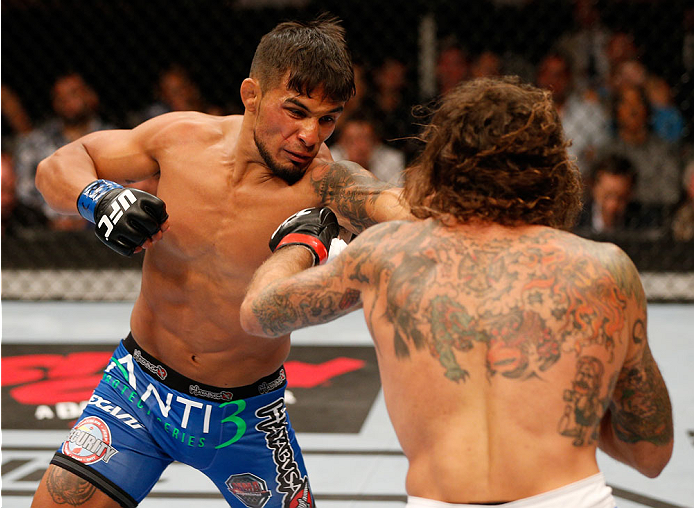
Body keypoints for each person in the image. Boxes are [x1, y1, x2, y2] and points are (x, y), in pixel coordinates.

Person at [240, 76, 674, 507]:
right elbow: (650, 453)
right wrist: (567, 402)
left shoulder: (384, 257)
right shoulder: (603, 270)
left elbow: (258, 313)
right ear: (553, 169)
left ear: (440, 164)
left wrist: (303, 243)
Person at [31, 16, 409, 508]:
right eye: (295, 111)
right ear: (251, 95)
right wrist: (98, 197)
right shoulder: (181, 139)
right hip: (137, 393)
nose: (310, 135)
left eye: (327, 119)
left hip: (247, 417)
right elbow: (57, 166)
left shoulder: (327, 184)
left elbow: (395, 206)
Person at [14, 72, 113, 230]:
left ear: (91, 96)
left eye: (74, 93)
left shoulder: (113, 138)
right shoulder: (35, 143)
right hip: (49, 229)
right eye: (60, 97)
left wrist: (88, 216)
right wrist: (54, 217)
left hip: (105, 223)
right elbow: (25, 192)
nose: (67, 100)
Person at [575, 154, 654, 234]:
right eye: (606, 196)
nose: (613, 205)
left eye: (621, 198)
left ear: (631, 193)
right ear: (593, 188)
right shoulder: (575, 220)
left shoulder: (645, 222)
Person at [330, 113, 406, 184]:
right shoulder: (330, 159)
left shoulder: (391, 159)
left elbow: (396, 193)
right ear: (340, 143)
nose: (359, 146)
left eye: (365, 139)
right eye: (351, 141)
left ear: (376, 141)